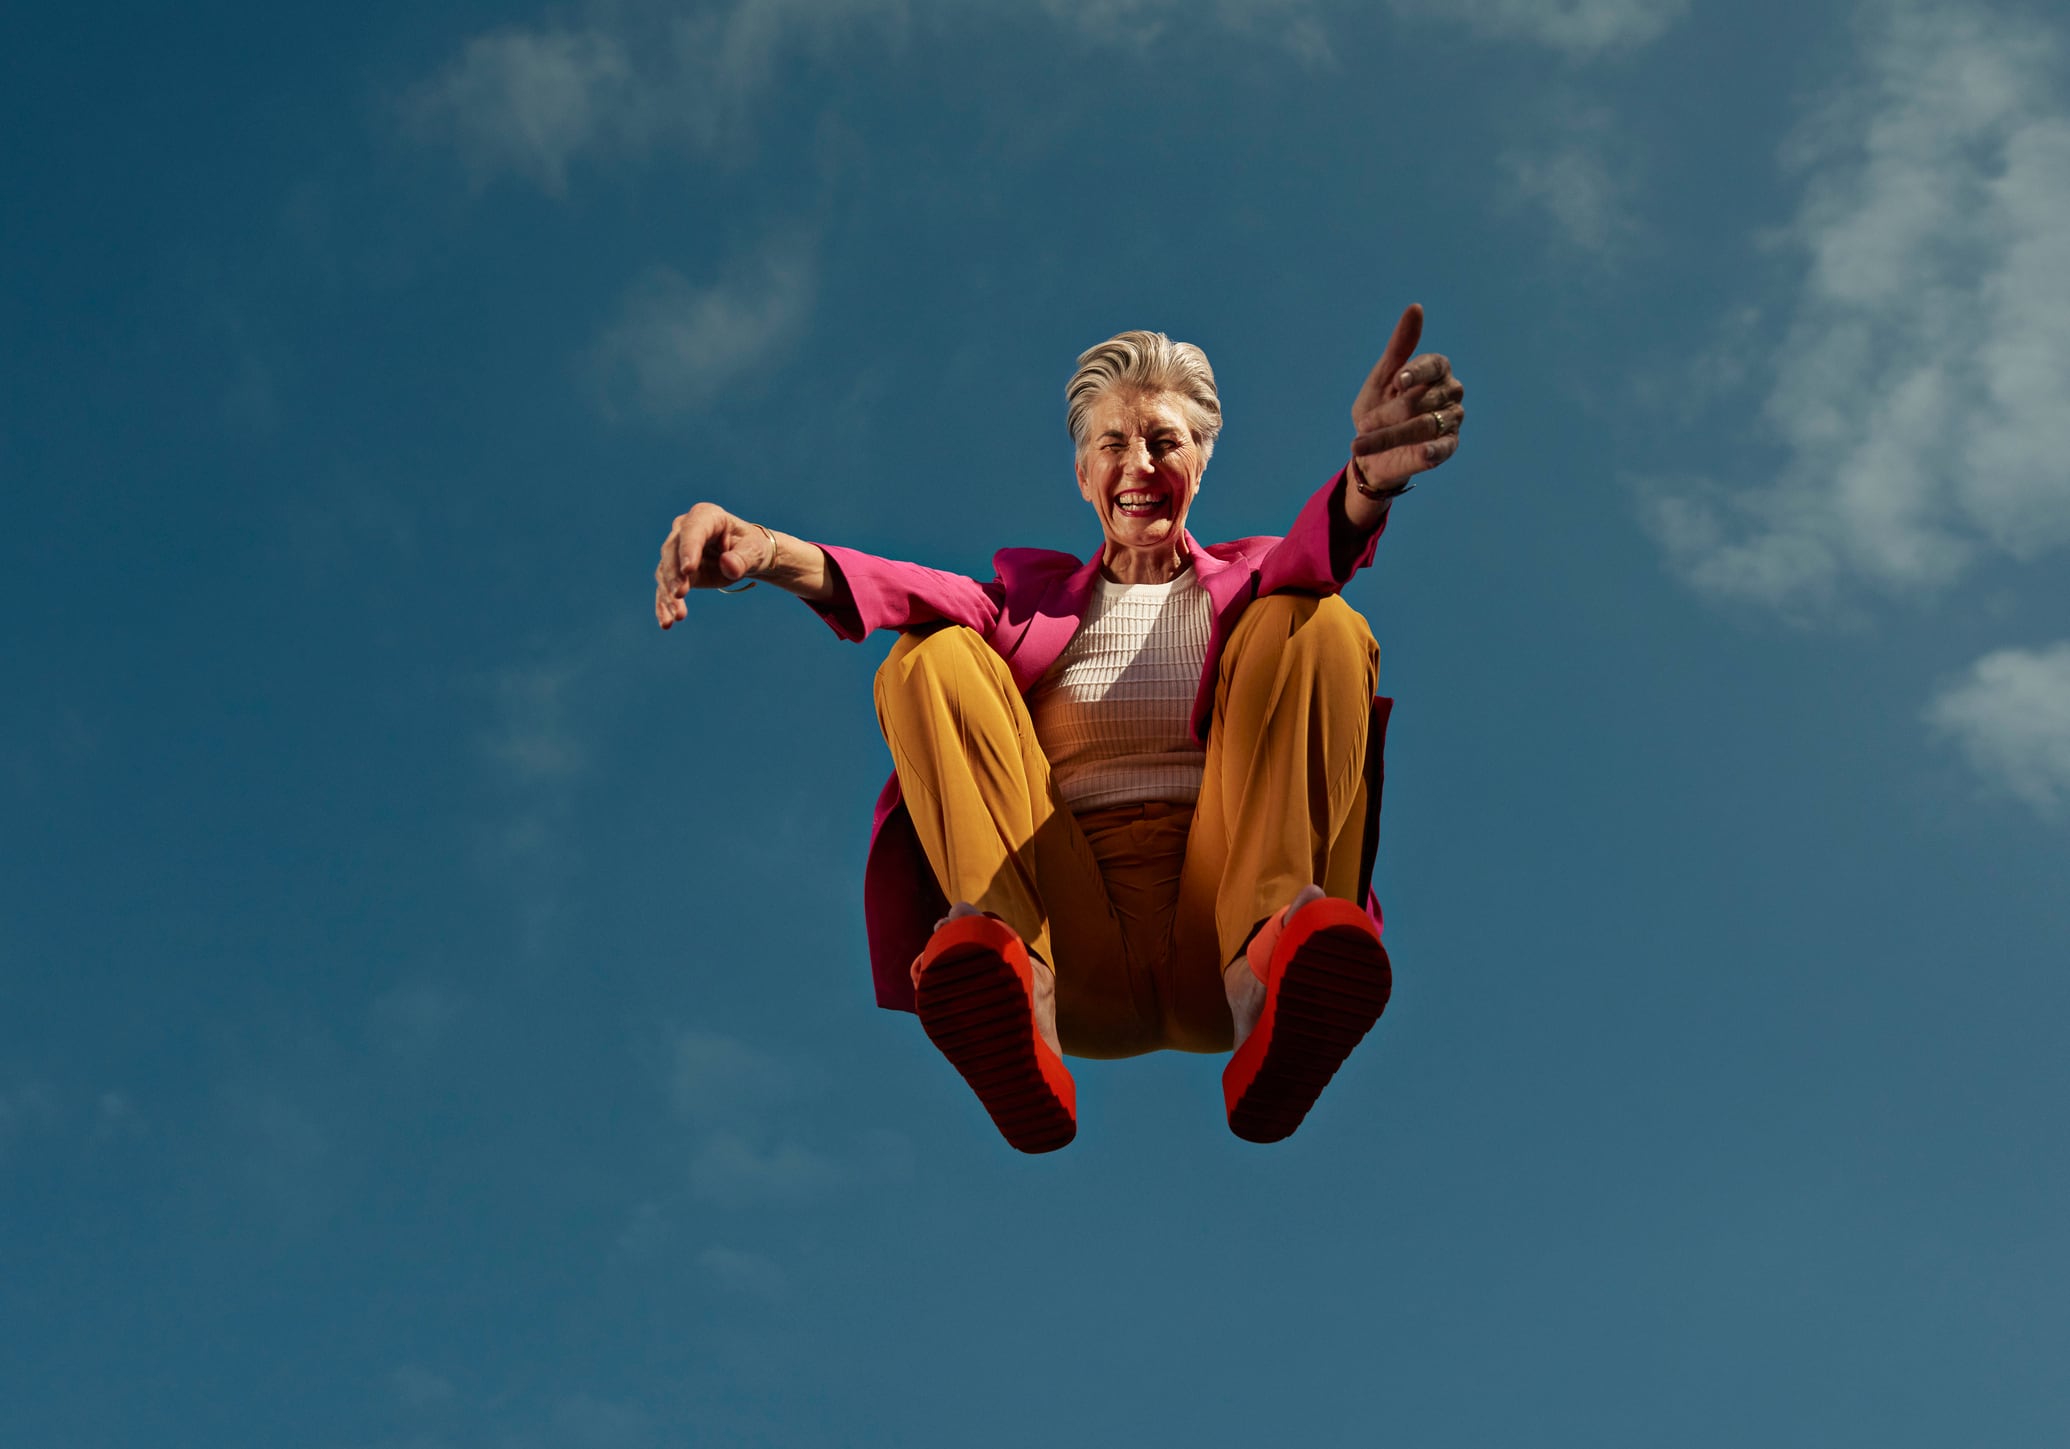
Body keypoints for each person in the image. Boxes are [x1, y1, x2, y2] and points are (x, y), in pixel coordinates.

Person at [653, 304, 1466, 1152]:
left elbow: (1316, 551)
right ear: (1083, 474)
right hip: (1072, 941)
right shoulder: (1026, 604)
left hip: (1228, 920)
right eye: (1113, 443)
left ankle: (1268, 983)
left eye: (1164, 440)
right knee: (928, 652)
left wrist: (1368, 482)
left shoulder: (1258, 579)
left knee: (1319, 620)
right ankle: (1016, 988)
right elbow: (897, 586)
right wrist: (764, 548)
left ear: (1202, 459)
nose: (1138, 464)